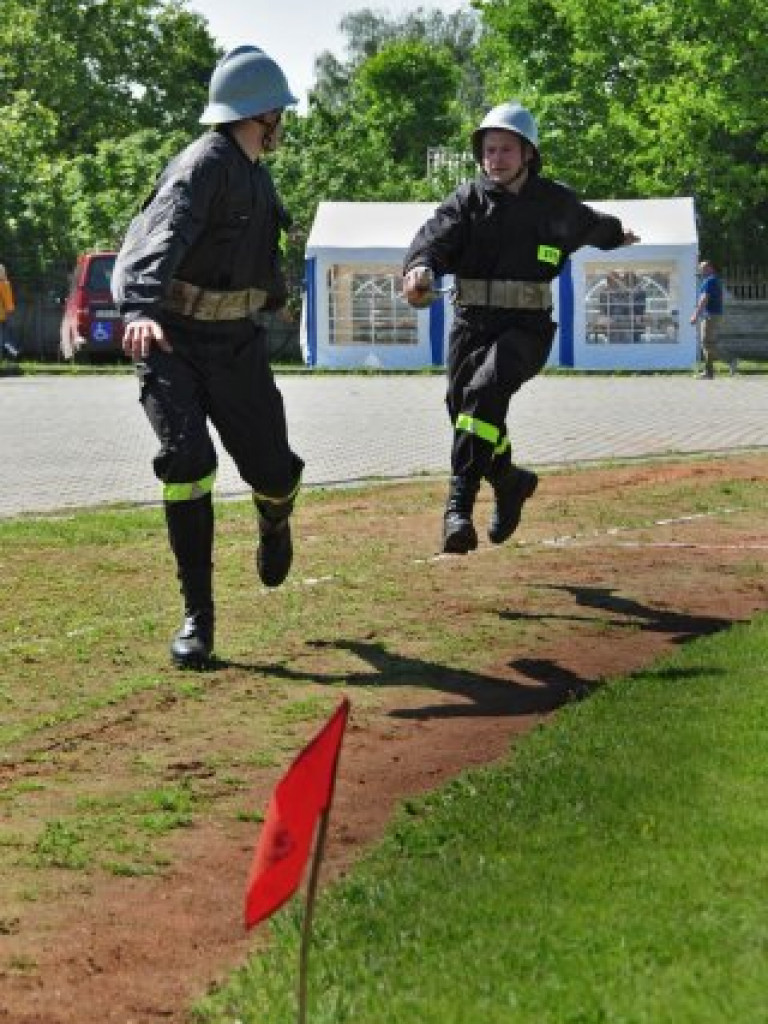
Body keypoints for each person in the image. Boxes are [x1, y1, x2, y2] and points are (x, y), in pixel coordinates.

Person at [112, 46, 304, 670]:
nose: (282, 123)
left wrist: (273, 299)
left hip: (236, 346)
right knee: (187, 462)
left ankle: (275, 519)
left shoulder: (256, 172)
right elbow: (160, 235)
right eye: (280, 112)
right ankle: (199, 616)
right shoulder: (204, 165)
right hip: (171, 339)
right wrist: (140, 308)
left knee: (274, 471)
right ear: (264, 114)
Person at [402, 101, 639, 554]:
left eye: (506, 149)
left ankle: (458, 508)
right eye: (489, 150)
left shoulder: (554, 202)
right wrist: (419, 269)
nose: (496, 159)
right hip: (471, 324)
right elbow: (432, 241)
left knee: (483, 393)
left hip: (526, 330)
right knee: (463, 408)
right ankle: (509, 481)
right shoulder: (465, 202)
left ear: (527, 153)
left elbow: (593, 225)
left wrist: (618, 233)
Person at [690, 259, 724, 378]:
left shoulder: (709, 281)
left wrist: (695, 315)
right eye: (700, 268)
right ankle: (711, 371)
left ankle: (710, 372)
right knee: (710, 343)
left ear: (710, 268)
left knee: (706, 343)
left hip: (710, 315)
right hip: (715, 314)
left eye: (703, 268)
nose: (701, 270)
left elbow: (704, 299)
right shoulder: (715, 280)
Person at [0, 263, 19, 359]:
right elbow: (8, 303)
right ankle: (12, 349)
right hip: (2, 315)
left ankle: (10, 348)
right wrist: (10, 311)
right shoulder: (4, 284)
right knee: (4, 337)